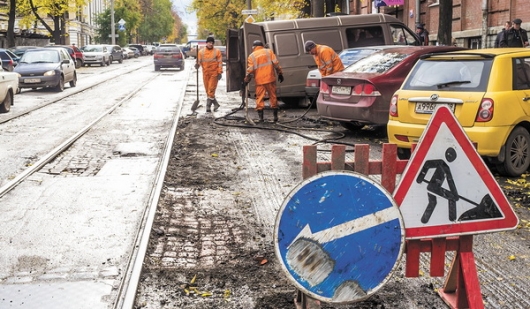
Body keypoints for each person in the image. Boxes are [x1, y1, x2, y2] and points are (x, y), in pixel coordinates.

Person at [244, 40, 284, 123]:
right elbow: (276, 63)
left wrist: (246, 79)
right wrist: (280, 73)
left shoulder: (252, 56)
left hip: (260, 81)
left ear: (253, 47)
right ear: (262, 46)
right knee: (273, 97)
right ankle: (275, 118)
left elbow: (250, 70)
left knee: (260, 98)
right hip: (270, 79)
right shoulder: (269, 52)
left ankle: (261, 118)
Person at [194, 36, 223, 112]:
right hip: (205, 74)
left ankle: (208, 106)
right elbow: (198, 61)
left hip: (214, 73)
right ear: (206, 43)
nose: (211, 44)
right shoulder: (201, 52)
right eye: (209, 42)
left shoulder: (217, 51)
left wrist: (219, 72)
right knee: (208, 91)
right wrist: (197, 64)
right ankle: (216, 104)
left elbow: (220, 63)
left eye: (212, 43)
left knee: (211, 90)